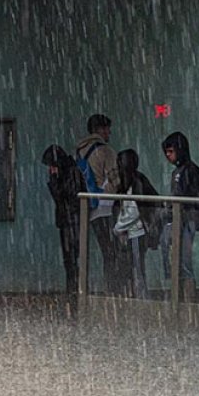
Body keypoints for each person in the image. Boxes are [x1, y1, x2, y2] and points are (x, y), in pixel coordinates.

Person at [75, 114, 126, 295]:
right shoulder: (105, 151)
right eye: (107, 129)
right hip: (106, 206)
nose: (109, 132)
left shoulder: (80, 150)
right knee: (115, 252)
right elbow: (115, 179)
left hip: (90, 208)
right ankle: (115, 290)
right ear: (101, 129)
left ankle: (106, 288)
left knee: (106, 251)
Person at [162, 131, 199, 303]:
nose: (168, 156)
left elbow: (179, 199)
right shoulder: (187, 171)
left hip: (186, 220)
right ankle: (184, 301)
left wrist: (169, 213)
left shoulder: (184, 172)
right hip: (187, 219)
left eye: (171, 152)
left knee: (183, 262)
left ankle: (186, 302)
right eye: (167, 153)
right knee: (181, 262)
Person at [113, 149, 159, 300]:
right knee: (133, 270)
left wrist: (118, 228)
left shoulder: (136, 183)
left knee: (137, 270)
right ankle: (137, 298)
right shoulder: (130, 182)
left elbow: (133, 212)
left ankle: (142, 300)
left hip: (138, 233)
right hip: (132, 233)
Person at [41, 145, 84, 294]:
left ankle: (73, 291)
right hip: (69, 220)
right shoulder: (70, 172)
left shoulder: (71, 173)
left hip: (71, 221)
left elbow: (62, 198)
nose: (51, 170)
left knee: (71, 259)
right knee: (70, 260)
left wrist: (53, 181)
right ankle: (72, 290)